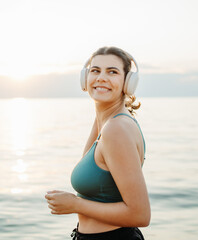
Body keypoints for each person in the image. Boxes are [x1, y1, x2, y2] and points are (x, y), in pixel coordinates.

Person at [45, 46, 150, 240]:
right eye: (95, 71)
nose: (101, 77)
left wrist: (75, 204)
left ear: (128, 82)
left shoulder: (116, 130)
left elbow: (141, 214)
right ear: (85, 79)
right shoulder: (106, 123)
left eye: (112, 72)